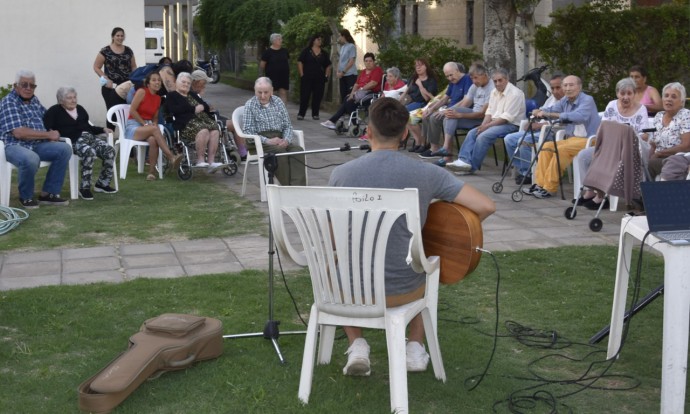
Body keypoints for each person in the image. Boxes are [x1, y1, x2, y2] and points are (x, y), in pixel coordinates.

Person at [328, 97, 495, 376]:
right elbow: (486, 206)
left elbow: (333, 239)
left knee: (338, 263)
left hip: (350, 293)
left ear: (368, 130)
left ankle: (357, 343)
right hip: (403, 290)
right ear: (405, 133)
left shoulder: (340, 174)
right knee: (425, 264)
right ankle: (415, 346)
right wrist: (442, 225)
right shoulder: (427, 173)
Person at [0, 70, 72, 208]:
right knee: (31, 158)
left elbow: (47, 118)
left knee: (64, 149)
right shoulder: (9, 102)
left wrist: (52, 130)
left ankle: (49, 194)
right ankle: (26, 197)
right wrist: (48, 135)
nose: (28, 88)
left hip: (36, 144)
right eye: (24, 84)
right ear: (16, 85)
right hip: (14, 145)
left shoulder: (34, 100)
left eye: (32, 86)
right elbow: (19, 133)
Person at [522, 75, 601, 199]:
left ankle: (549, 188)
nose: (568, 88)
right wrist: (539, 110)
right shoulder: (565, 100)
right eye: (565, 85)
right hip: (572, 139)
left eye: (571, 85)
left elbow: (578, 116)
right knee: (546, 146)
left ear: (579, 87)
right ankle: (540, 184)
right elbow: (551, 108)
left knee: (560, 150)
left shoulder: (587, 100)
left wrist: (550, 114)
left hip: (590, 140)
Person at [575, 77, 648, 209]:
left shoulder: (641, 109)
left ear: (634, 94)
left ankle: (601, 196)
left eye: (629, 93)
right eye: (622, 93)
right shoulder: (612, 105)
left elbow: (645, 135)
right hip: (609, 147)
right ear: (617, 94)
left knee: (609, 162)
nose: (625, 97)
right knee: (583, 156)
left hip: (627, 151)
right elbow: (603, 129)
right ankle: (590, 190)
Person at [446, 68, 525, 174]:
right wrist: (482, 126)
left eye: (500, 80)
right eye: (495, 81)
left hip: (511, 125)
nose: (497, 84)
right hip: (496, 122)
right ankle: (463, 161)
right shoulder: (494, 92)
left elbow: (506, 118)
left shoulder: (515, 93)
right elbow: (490, 111)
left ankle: (471, 168)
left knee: (483, 136)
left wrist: (486, 127)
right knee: (473, 132)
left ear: (507, 79)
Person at [43, 87, 117, 200]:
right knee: (89, 152)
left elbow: (89, 127)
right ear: (61, 100)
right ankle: (84, 188)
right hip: (72, 141)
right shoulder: (54, 111)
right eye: (69, 98)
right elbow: (48, 128)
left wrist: (102, 129)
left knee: (110, 150)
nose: (73, 100)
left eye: (74, 97)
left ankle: (102, 183)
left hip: (89, 138)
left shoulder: (80, 109)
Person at [419, 63, 492, 166]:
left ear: (484, 74)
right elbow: (465, 100)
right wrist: (443, 110)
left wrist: (458, 114)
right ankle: (444, 152)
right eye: (473, 78)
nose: (474, 81)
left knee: (449, 115)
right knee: (450, 115)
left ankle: (445, 152)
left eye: (476, 78)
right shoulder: (475, 85)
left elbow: (481, 113)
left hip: (484, 118)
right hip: (471, 113)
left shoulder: (492, 87)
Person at [242, 77, 306, 186]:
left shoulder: (278, 101)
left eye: (266, 92)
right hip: (259, 142)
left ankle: (298, 187)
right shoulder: (250, 105)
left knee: (298, 150)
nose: (262, 96)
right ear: (254, 90)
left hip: (279, 138)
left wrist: (286, 139)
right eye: (259, 92)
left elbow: (287, 125)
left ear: (271, 90)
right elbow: (248, 132)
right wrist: (268, 141)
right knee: (280, 152)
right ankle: (288, 188)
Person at [503, 74, 565, 184]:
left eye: (558, 87)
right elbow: (540, 112)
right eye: (552, 88)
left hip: (553, 132)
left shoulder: (567, 101)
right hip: (539, 129)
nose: (555, 91)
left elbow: (562, 121)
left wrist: (540, 125)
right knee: (509, 139)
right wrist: (531, 122)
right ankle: (523, 169)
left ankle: (529, 173)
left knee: (524, 141)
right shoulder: (551, 99)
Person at [126, 71, 182, 181]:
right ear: (148, 83)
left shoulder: (158, 98)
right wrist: (144, 123)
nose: (157, 82)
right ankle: (171, 157)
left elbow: (155, 117)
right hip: (134, 126)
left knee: (153, 140)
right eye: (154, 80)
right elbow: (132, 110)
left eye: (159, 80)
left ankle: (151, 173)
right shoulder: (142, 91)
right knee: (154, 130)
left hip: (148, 127)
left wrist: (154, 123)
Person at [411, 62, 474, 155]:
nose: (450, 78)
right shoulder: (452, 82)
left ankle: (434, 148)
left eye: (451, 75)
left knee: (434, 118)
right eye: (447, 76)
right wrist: (431, 109)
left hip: (459, 112)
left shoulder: (467, 79)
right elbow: (444, 99)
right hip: (449, 109)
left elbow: (465, 101)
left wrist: (446, 111)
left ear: (457, 70)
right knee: (426, 115)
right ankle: (425, 144)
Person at [166, 72, 222, 170]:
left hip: (203, 119)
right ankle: (200, 160)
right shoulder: (172, 95)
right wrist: (193, 109)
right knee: (203, 130)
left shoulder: (192, 94)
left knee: (215, 130)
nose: (186, 84)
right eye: (183, 82)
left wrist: (201, 107)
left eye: (188, 83)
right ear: (177, 82)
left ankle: (211, 161)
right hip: (186, 123)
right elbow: (174, 110)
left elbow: (205, 105)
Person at [190, 70, 248, 160]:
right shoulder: (192, 94)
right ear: (197, 82)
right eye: (203, 82)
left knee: (233, 123)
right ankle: (243, 153)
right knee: (234, 125)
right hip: (206, 120)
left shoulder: (195, 93)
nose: (205, 84)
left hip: (209, 117)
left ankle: (241, 151)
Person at [320, 52, 384, 130]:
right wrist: (351, 94)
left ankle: (335, 120)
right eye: (366, 61)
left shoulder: (377, 70)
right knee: (348, 99)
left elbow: (373, 83)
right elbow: (356, 84)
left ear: (374, 62)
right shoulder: (363, 72)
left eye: (370, 61)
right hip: (361, 93)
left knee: (348, 102)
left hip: (371, 93)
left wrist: (361, 89)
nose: (368, 63)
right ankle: (351, 124)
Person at [93, 27, 137, 127]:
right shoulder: (105, 51)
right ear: (113, 37)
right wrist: (105, 78)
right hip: (110, 87)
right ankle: (111, 136)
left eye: (122, 36)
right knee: (112, 112)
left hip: (126, 87)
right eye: (117, 35)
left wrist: (135, 79)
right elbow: (96, 67)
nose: (120, 38)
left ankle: (125, 136)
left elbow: (133, 66)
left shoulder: (128, 50)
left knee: (126, 111)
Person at [647, 82, 690, 179]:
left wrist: (660, 153)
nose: (669, 99)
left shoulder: (685, 115)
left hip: (679, 158)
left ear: (682, 102)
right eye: (666, 96)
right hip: (660, 160)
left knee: (671, 164)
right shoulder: (658, 116)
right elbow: (654, 144)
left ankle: (666, 192)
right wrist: (649, 158)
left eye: (674, 97)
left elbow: (687, 146)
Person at [297, 35, 332, 121]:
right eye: (318, 39)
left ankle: (315, 114)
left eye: (321, 40)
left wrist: (326, 76)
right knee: (305, 96)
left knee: (318, 96)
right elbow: (300, 62)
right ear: (313, 41)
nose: (320, 41)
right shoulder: (306, 51)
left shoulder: (324, 53)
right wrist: (302, 74)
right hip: (307, 77)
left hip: (319, 78)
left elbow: (328, 65)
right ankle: (301, 114)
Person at [260, 33, 290, 104]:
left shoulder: (284, 51)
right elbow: (262, 65)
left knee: (283, 92)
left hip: (283, 76)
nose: (281, 40)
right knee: (271, 93)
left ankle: (282, 111)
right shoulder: (267, 52)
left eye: (281, 39)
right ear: (274, 41)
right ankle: (270, 110)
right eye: (279, 39)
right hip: (272, 76)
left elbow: (287, 61)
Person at [336, 29, 357, 103]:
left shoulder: (351, 46)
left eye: (339, 36)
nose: (339, 38)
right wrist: (338, 71)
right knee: (343, 94)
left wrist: (343, 72)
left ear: (343, 36)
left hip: (350, 75)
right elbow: (340, 60)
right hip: (343, 75)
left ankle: (350, 112)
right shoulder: (343, 47)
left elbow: (351, 61)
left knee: (349, 94)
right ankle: (344, 112)